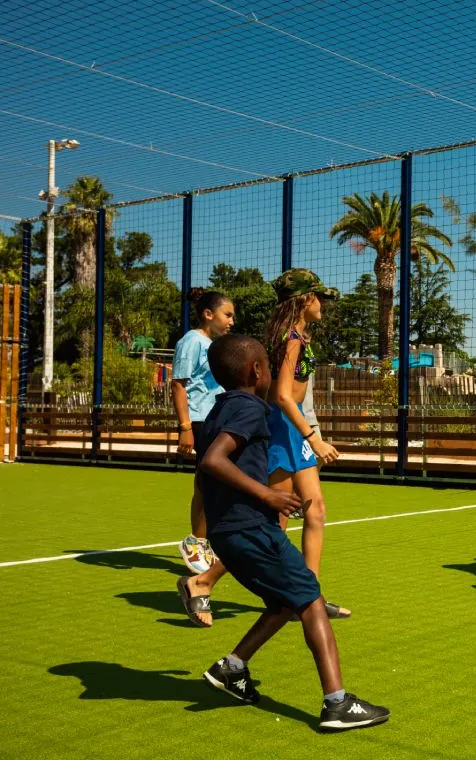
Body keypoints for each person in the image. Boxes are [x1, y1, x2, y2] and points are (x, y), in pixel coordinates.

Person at [178, 333, 389, 731]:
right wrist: (268, 497)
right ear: (258, 371)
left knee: (282, 603)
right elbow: (213, 461)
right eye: (269, 367)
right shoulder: (249, 410)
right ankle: (337, 703)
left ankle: (232, 668)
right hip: (251, 529)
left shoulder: (217, 410)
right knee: (310, 600)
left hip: (229, 531)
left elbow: (206, 474)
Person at [265, 268, 348, 618]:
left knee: (315, 510)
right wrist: (313, 438)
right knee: (275, 524)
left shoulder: (300, 335)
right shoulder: (292, 338)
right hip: (284, 426)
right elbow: (283, 396)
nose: (323, 303)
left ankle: (309, 597)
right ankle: (203, 581)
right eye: (319, 297)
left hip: (293, 425)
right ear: (304, 299)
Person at [171, 290, 235, 574]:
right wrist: (185, 427)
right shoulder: (191, 341)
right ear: (208, 314)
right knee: (207, 482)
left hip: (215, 418)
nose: (232, 321)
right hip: (198, 420)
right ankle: (196, 542)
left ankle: (203, 540)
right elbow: (178, 385)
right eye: (228, 315)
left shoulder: (213, 344)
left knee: (210, 481)